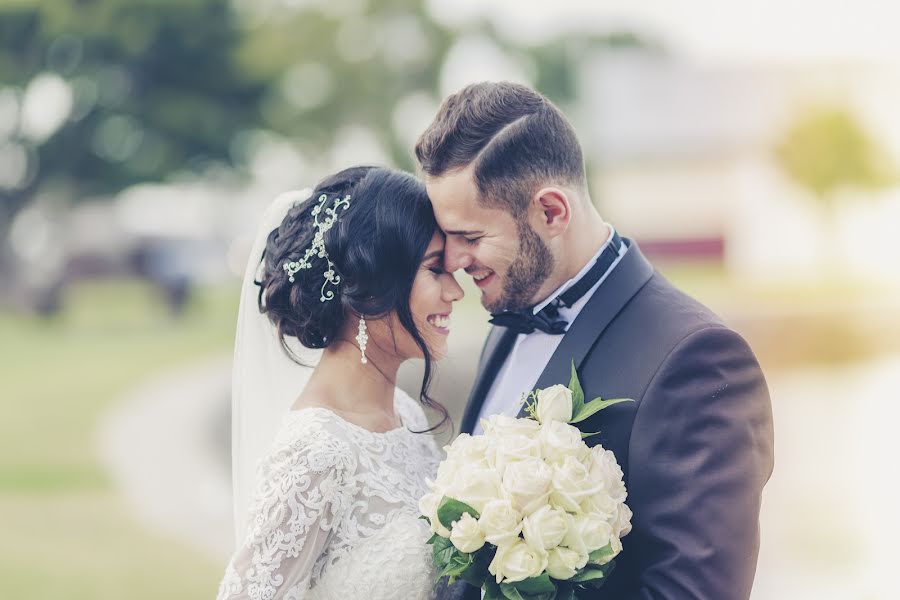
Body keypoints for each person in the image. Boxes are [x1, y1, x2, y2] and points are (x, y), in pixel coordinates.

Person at [416, 82, 775, 599]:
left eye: (471, 237)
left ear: (551, 212)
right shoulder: (504, 329)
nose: (453, 260)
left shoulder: (697, 358)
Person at [218, 166, 464, 600]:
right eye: (434, 270)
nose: (455, 291)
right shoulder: (317, 453)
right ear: (370, 288)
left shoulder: (403, 413)